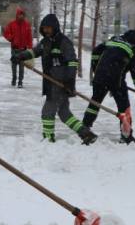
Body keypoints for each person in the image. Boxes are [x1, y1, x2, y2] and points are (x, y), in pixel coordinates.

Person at [14, 13, 96, 145]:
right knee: (64, 113)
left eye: (48, 28)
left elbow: (72, 62)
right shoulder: (45, 42)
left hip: (60, 83)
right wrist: (21, 56)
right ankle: (86, 134)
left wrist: (70, 81)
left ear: (54, 27)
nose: (46, 30)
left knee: (47, 112)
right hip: (51, 82)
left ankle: (48, 139)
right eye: (44, 28)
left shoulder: (63, 42)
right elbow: (35, 51)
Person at [84, 26, 135, 144]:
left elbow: (96, 51)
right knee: (124, 107)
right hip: (116, 79)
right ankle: (126, 136)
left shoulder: (116, 39)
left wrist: (96, 69)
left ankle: (84, 128)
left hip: (100, 76)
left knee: (95, 102)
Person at [2, 7, 33, 87]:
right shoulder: (12, 24)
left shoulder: (27, 25)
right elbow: (6, 33)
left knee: (22, 66)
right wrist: (10, 38)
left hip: (23, 49)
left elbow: (29, 37)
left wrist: (30, 47)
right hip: (14, 48)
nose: (21, 16)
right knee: (14, 65)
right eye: (20, 15)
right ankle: (14, 79)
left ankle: (20, 82)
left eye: (22, 15)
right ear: (17, 15)